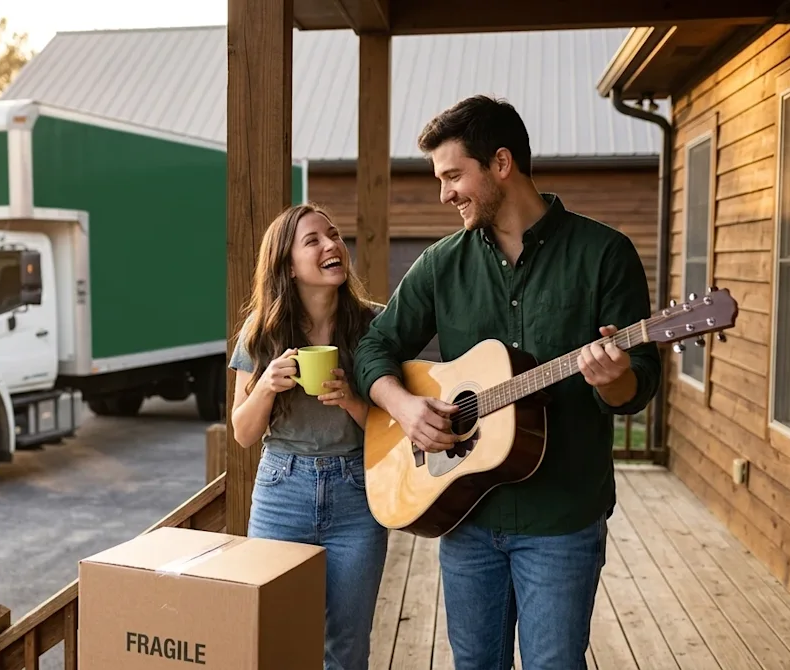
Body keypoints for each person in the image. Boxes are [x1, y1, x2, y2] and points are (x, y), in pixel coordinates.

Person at [353, 95, 662, 669]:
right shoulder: (441, 264)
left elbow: (637, 386)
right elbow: (374, 346)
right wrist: (405, 408)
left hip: (561, 519)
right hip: (465, 517)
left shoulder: (605, 254)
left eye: (452, 175)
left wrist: (612, 378)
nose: (443, 193)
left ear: (500, 164)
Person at [229, 203, 387, 670]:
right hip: (282, 492)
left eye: (333, 235)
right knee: (274, 637)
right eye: (313, 240)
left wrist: (352, 401)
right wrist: (265, 387)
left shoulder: (375, 325)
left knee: (347, 643)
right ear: (288, 265)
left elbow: (396, 430)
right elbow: (242, 432)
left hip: (357, 494)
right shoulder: (261, 333)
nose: (331, 245)